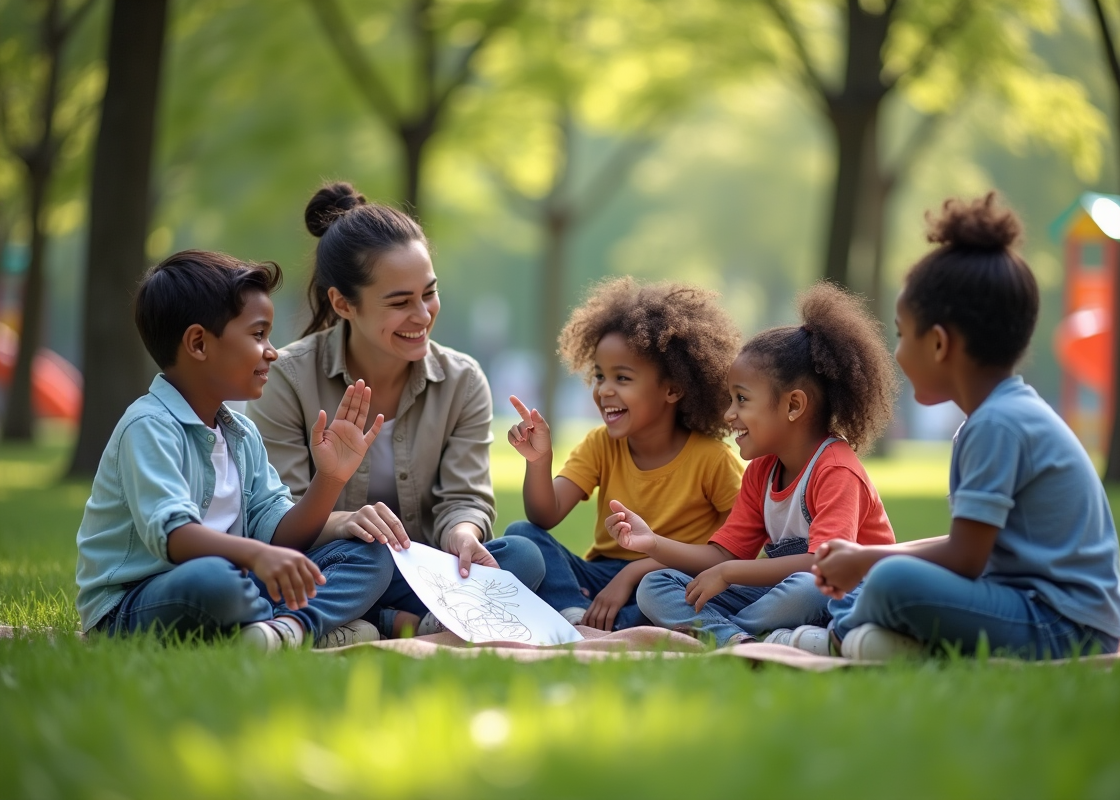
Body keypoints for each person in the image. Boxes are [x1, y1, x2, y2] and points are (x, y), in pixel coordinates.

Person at [808, 193, 1120, 660]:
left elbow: (964, 559)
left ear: (938, 343)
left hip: (1062, 627)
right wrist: (862, 557)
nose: (896, 353)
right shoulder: (1000, 415)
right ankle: (885, 642)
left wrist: (868, 561)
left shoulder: (998, 424)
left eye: (901, 334)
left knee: (891, 580)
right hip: (1039, 612)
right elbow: (970, 545)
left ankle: (831, 641)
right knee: (884, 573)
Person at [248, 182, 543, 639]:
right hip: (333, 567)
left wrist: (463, 535)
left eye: (429, 293)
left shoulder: (463, 381)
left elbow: (464, 498)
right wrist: (348, 522)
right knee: (371, 557)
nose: (423, 315)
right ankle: (361, 624)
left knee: (524, 556)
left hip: (426, 575)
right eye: (400, 302)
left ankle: (379, 623)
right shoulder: (287, 378)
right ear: (343, 304)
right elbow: (274, 518)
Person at [76, 250, 396, 650]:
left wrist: (330, 479)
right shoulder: (149, 427)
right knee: (215, 579)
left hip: (238, 581)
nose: (272, 351)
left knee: (371, 554)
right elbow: (174, 537)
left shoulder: (240, 433)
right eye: (258, 334)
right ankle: (312, 623)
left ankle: (284, 631)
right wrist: (256, 557)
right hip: (138, 602)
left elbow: (281, 534)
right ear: (198, 343)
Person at [607, 283, 899, 647]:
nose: (729, 414)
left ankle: (721, 632)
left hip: (843, 597)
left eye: (741, 399)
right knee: (656, 585)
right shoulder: (762, 471)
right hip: (780, 599)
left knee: (809, 587)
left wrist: (730, 572)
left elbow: (820, 566)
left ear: (793, 405)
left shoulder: (835, 469)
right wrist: (652, 543)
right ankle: (744, 640)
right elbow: (720, 555)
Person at [504, 277, 744, 631]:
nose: (604, 390)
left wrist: (633, 573)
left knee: (665, 595)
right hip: (598, 576)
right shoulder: (601, 444)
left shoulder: (713, 460)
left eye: (623, 378)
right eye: (600, 376)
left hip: (667, 578)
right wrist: (538, 462)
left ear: (673, 388)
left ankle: (610, 622)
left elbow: (733, 552)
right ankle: (576, 614)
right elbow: (543, 516)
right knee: (521, 533)